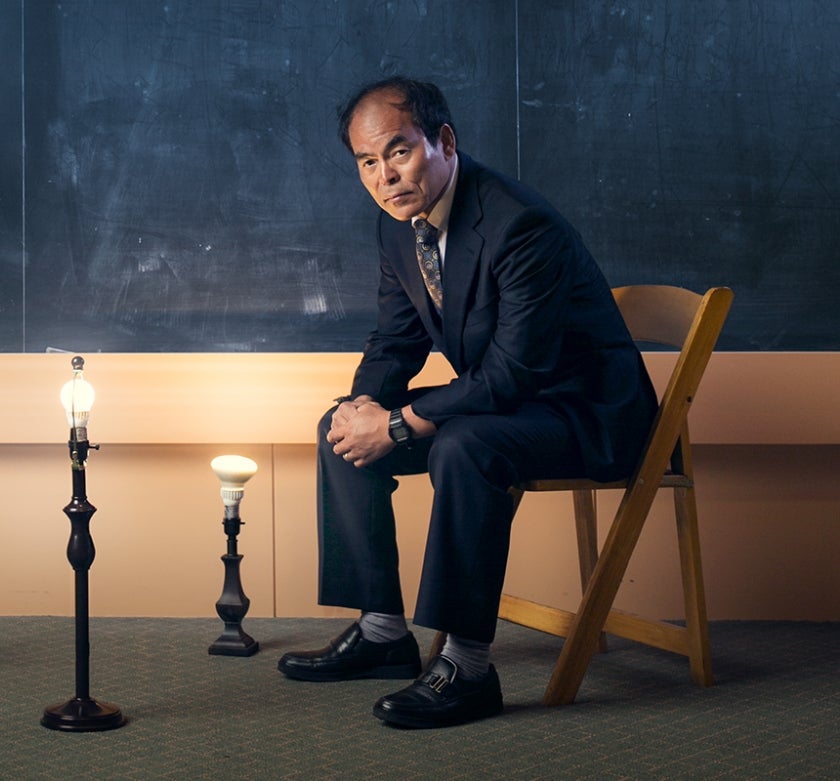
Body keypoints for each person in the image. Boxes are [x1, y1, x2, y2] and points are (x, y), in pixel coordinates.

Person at [277, 76, 658, 729]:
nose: (384, 175)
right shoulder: (398, 227)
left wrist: (397, 425)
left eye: (398, 151)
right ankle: (382, 631)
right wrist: (364, 407)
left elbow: (514, 371)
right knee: (337, 426)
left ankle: (468, 667)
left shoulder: (518, 223)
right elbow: (396, 341)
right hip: (508, 401)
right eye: (367, 162)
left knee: (464, 443)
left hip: (587, 412)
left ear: (443, 141)